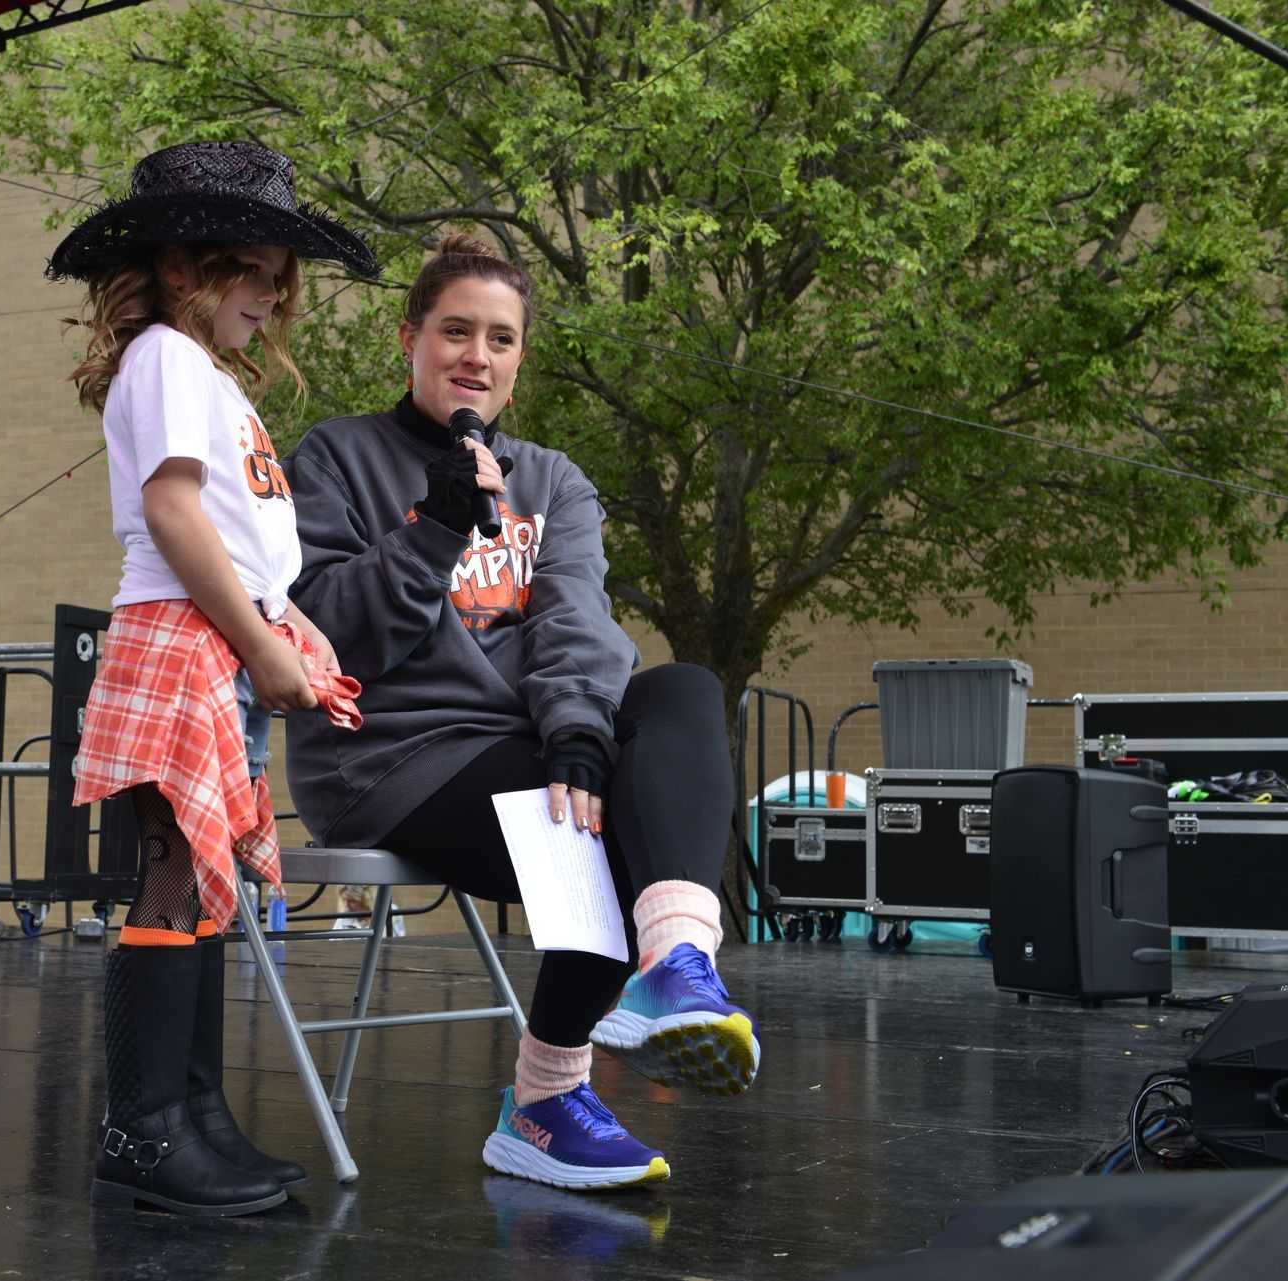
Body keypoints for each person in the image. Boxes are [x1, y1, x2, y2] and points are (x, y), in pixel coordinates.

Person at [283, 233, 755, 1192]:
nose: (476, 355)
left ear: (519, 363)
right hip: (386, 759)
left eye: (500, 338)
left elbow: (575, 622)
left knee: (684, 690)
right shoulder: (338, 457)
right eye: (455, 330)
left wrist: (579, 735)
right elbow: (323, 637)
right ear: (410, 339)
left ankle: (674, 961)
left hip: (518, 745)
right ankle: (548, 1098)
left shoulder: (551, 480)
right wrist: (435, 527)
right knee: (620, 830)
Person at [51, 141, 376, 1216]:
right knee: (173, 878)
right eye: (254, 272)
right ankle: (142, 1134)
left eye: (281, 278)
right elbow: (176, 512)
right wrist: (264, 639)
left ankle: (191, 1118)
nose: (273, 296)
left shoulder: (202, 374)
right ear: (185, 268)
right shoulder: (167, 360)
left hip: (217, 640)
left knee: (200, 888)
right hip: (185, 636)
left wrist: (270, 637)